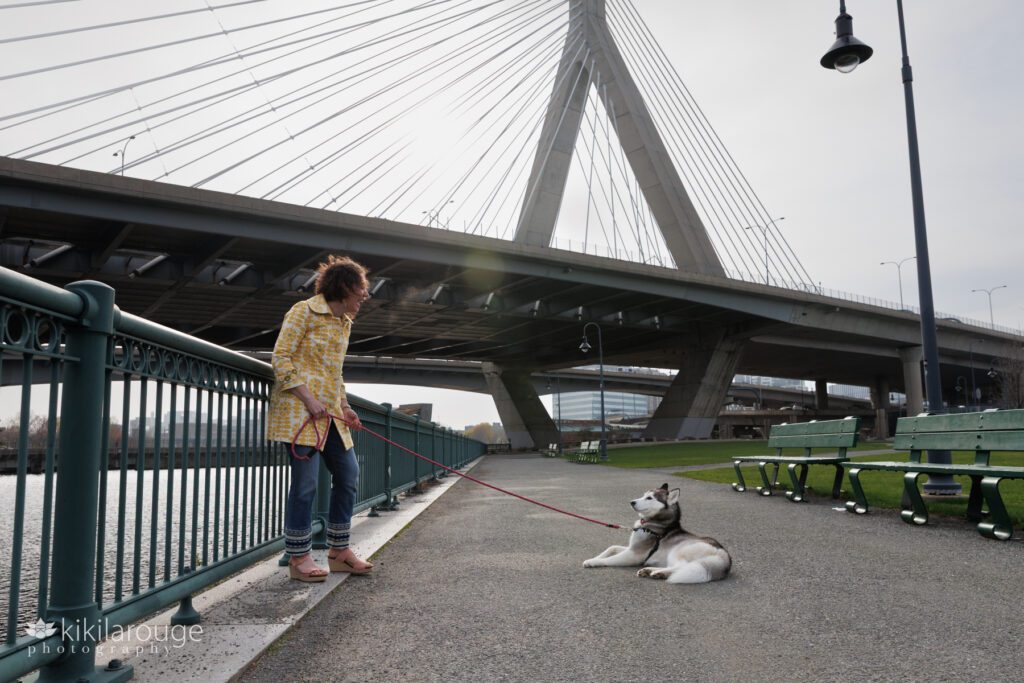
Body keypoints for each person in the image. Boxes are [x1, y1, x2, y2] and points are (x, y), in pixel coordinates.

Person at [267, 254, 374, 582]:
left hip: (330, 415)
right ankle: (299, 559)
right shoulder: (304, 311)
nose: (364, 297)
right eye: (361, 291)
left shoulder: (345, 323)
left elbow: (334, 373)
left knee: (349, 474)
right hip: (301, 412)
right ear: (344, 288)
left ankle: (338, 551)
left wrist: (344, 406)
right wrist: (309, 399)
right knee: (306, 484)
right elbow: (280, 358)